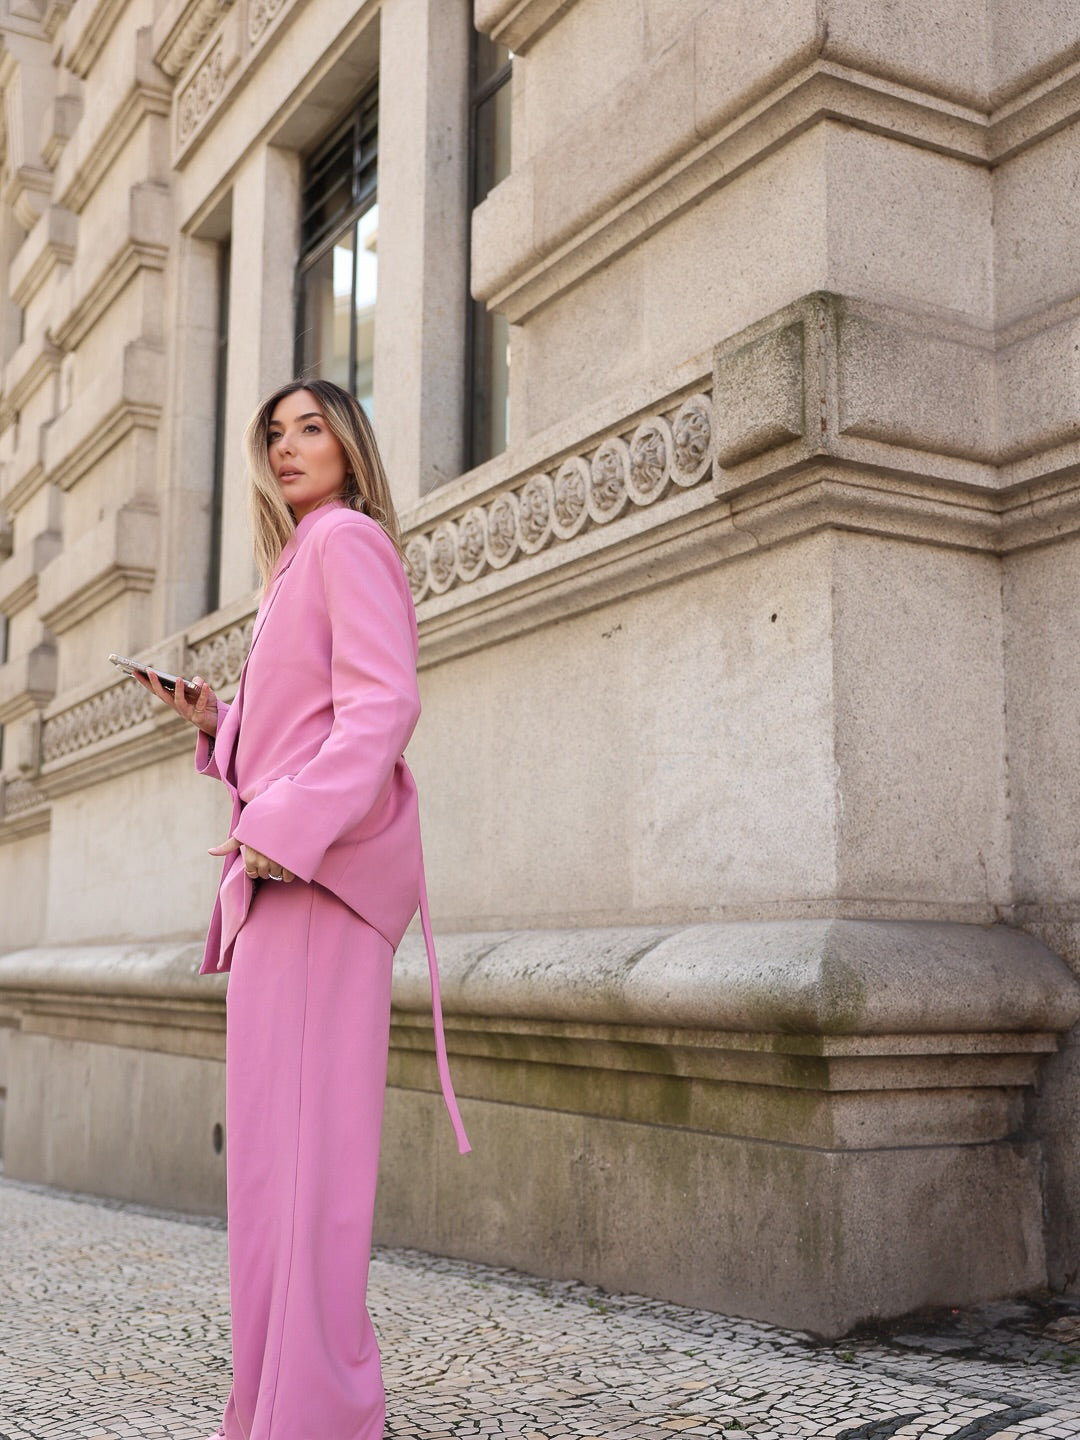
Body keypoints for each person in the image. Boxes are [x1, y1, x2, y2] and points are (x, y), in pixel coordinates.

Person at [136, 378, 470, 1440]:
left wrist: (283, 830)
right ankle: (269, 1409)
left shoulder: (347, 543)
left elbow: (382, 708)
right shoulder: (293, 564)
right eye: (272, 433)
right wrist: (218, 721)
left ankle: (322, 1413)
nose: (286, 446)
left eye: (309, 427)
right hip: (277, 891)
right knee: (273, 1178)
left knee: (313, 1175)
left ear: (349, 442)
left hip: (316, 889)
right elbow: (300, 726)